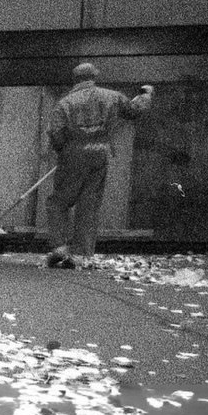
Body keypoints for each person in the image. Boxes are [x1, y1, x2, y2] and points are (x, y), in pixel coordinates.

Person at [45, 63, 153, 269]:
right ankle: (80, 254)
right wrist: (146, 94)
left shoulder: (65, 103)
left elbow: (56, 135)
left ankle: (59, 247)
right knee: (89, 205)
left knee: (58, 202)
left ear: (75, 79)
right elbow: (135, 110)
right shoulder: (112, 96)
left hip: (73, 155)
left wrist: (63, 151)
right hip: (100, 154)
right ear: (94, 77)